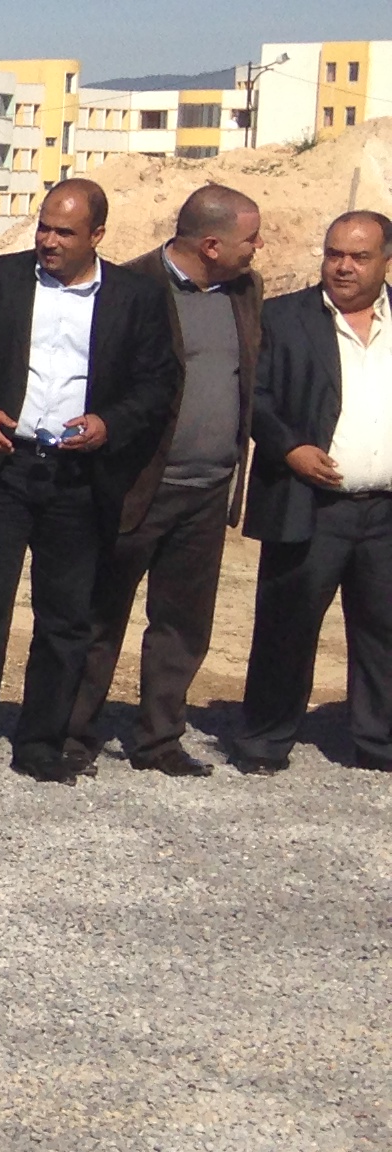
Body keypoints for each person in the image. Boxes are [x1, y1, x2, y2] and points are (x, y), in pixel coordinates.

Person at [0, 180, 178, 783]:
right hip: (1, 467)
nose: (48, 240)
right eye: (44, 226)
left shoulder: (137, 297)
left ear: (97, 235)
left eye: (64, 232)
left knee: (66, 618)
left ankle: (42, 742)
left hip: (79, 476)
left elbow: (158, 384)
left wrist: (109, 424)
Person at [67, 184, 265, 774]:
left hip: (208, 491)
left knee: (183, 624)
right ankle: (71, 734)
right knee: (100, 618)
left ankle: (159, 739)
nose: (258, 248)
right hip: (136, 487)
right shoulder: (128, 287)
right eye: (250, 238)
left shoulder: (245, 290)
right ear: (211, 245)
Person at [233, 210, 392, 773]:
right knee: (287, 626)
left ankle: (378, 742)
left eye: (359, 257)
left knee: (383, 630)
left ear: (386, 262)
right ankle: (264, 740)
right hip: (309, 504)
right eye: (334, 254)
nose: (343, 266)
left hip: (385, 512)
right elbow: (256, 396)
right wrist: (290, 449)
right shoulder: (285, 317)